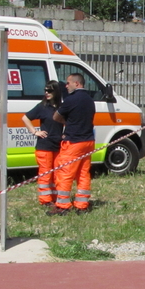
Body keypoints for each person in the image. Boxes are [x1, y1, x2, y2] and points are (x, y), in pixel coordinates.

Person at [50, 73, 96, 215]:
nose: (66, 85)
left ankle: (62, 206)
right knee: (83, 173)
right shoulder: (90, 100)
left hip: (74, 142)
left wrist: (67, 122)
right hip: (88, 141)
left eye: (68, 83)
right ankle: (82, 205)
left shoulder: (70, 100)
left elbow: (56, 116)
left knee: (65, 173)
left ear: (77, 84)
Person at [21, 81, 63, 206]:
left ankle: (56, 197)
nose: (47, 93)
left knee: (57, 174)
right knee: (45, 174)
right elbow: (25, 118)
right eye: (45, 90)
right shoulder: (42, 107)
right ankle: (45, 200)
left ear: (56, 92)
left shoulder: (61, 107)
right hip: (44, 146)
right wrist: (35, 132)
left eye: (50, 91)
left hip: (58, 145)